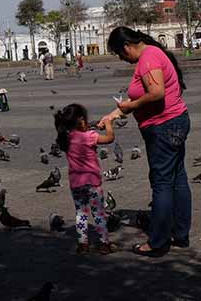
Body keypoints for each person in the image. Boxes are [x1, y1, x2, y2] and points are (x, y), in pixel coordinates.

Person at [100, 26, 190, 258]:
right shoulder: (152, 54)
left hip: (163, 126)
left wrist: (131, 107)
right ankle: (180, 234)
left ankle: (158, 242)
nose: (122, 59)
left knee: (161, 183)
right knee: (177, 178)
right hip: (175, 122)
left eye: (120, 55)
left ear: (126, 47)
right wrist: (112, 115)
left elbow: (156, 93)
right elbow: (140, 94)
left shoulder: (148, 58)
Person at [55, 103, 117, 255]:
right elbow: (110, 138)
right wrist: (108, 124)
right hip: (93, 183)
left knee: (81, 214)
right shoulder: (90, 137)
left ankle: (83, 244)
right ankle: (104, 244)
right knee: (98, 213)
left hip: (76, 184)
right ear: (81, 120)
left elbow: (79, 133)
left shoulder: (66, 138)